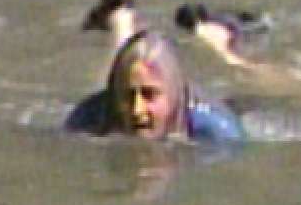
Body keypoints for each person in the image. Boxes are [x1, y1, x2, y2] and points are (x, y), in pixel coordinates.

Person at [65, 31, 245, 143]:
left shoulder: (218, 130)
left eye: (149, 95)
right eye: (128, 96)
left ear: (172, 96)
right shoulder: (86, 119)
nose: (137, 110)